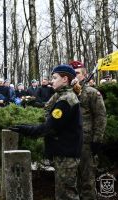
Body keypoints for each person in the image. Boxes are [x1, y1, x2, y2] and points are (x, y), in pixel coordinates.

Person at [9, 64, 83, 200]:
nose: (51, 81)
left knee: (66, 195)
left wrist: (25, 129)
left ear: (65, 79)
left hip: (66, 154)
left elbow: (49, 127)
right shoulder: (63, 96)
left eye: (54, 78)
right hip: (65, 152)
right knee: (63, 193)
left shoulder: (66, 100)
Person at [69, 60, 107, 200]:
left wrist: (97, 140)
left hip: (86, 143)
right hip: (69, 143)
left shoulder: (92, 93)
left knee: (87, 182)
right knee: (70, 182)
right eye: (72, 73)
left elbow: (100, 117)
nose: (75, 76)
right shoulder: (64, 94)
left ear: (84, 75)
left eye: (77, 73)